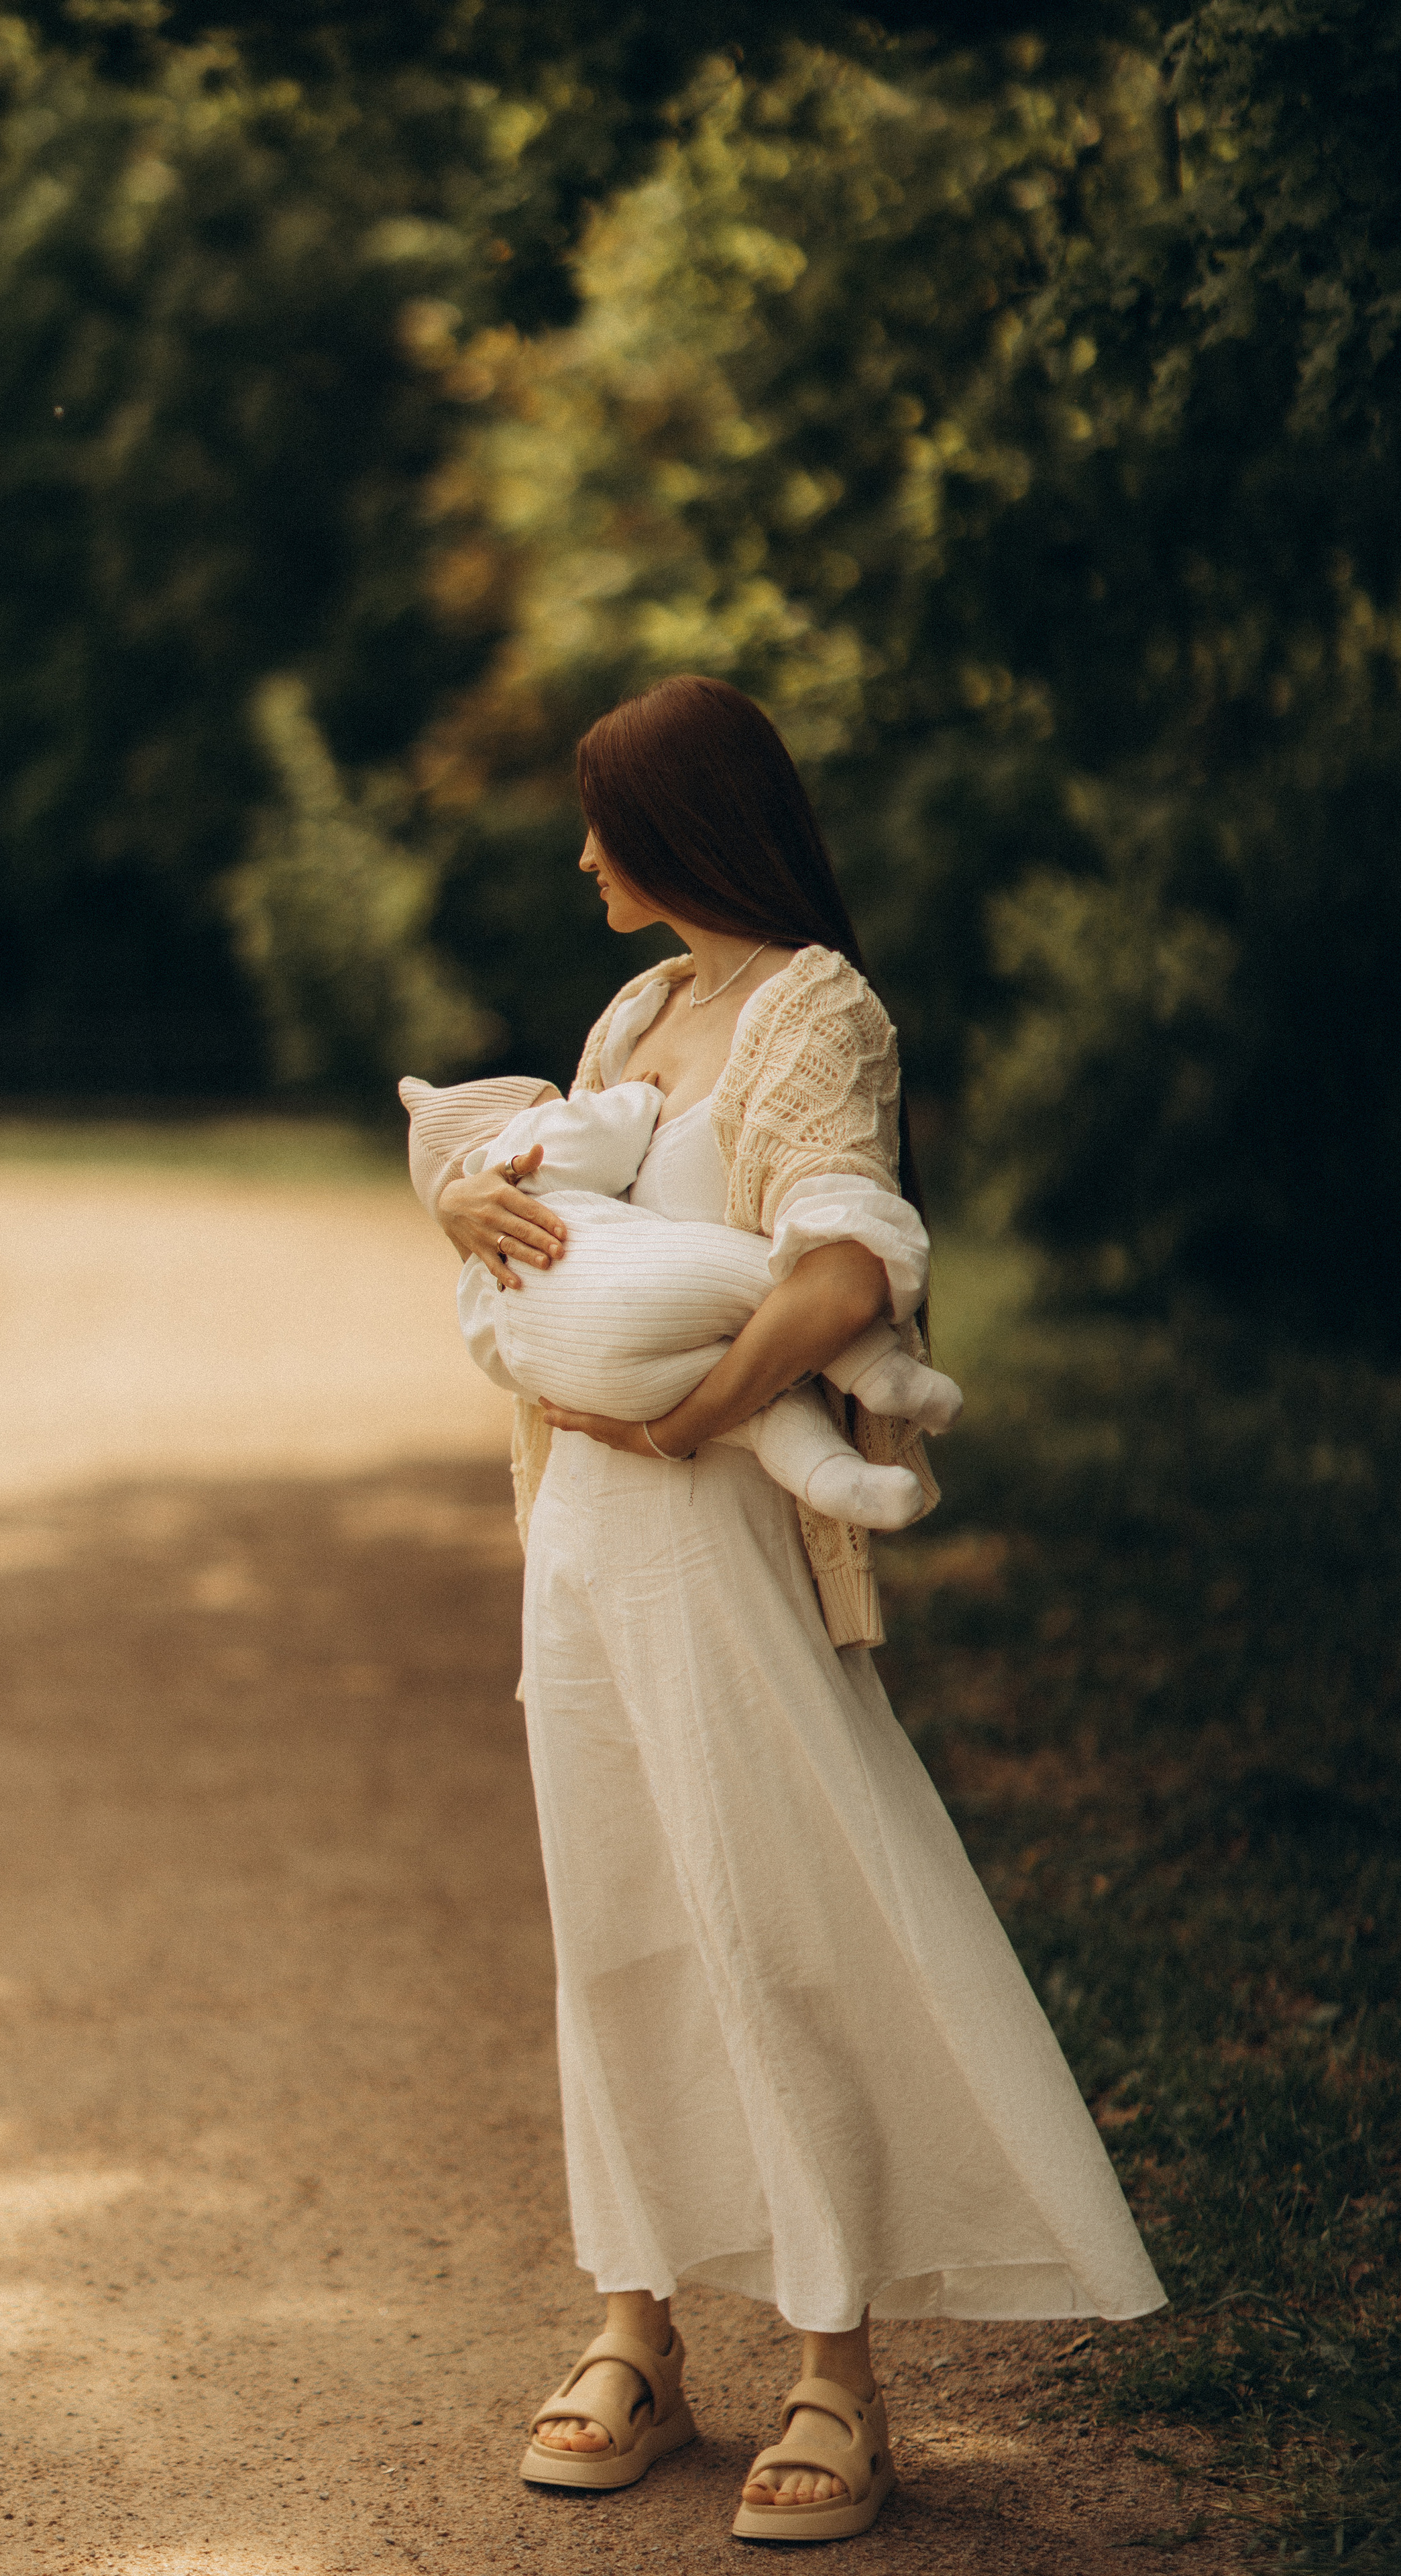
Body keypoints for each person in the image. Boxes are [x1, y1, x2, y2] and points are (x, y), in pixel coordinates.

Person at [433, 676, 1164, 2546]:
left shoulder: (815, 1005)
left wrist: (690, 1414)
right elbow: (559, 1213)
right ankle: (637, 2333)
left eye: (607, 819)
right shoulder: (636, 1007)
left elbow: (846, 1264)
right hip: (583, 1534)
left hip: (716, 1531)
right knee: (615, 1929)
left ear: (685, 827)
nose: (583, 853)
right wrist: (472, 1214)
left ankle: (840, 2374)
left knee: (771, 1929)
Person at [398, 1066, 964, 1528]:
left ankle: (838, 1481)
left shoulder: (477, 1290)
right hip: (637, 1297)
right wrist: (632, 1097)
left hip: (599, 1392)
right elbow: (612, 1136)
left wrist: (578, 1370)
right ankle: (882, 1372)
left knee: (759, 1415)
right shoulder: (522, 1152)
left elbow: (503, 1364)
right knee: (758, 1294)